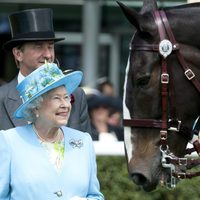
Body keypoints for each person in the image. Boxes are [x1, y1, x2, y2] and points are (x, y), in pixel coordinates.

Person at [0, 62, 104, 200]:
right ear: (35, 106)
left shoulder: (84, 141)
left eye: (66, 97)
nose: (65, 105)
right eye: (56, 98)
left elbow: (95, 195)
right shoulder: (9, 141)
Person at [0, 8, 92, 135]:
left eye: (50, 46)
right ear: (18, 53)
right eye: (38, 47)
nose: (48, 54)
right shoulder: (2, 98)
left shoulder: (77, 95)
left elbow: (83, 149)